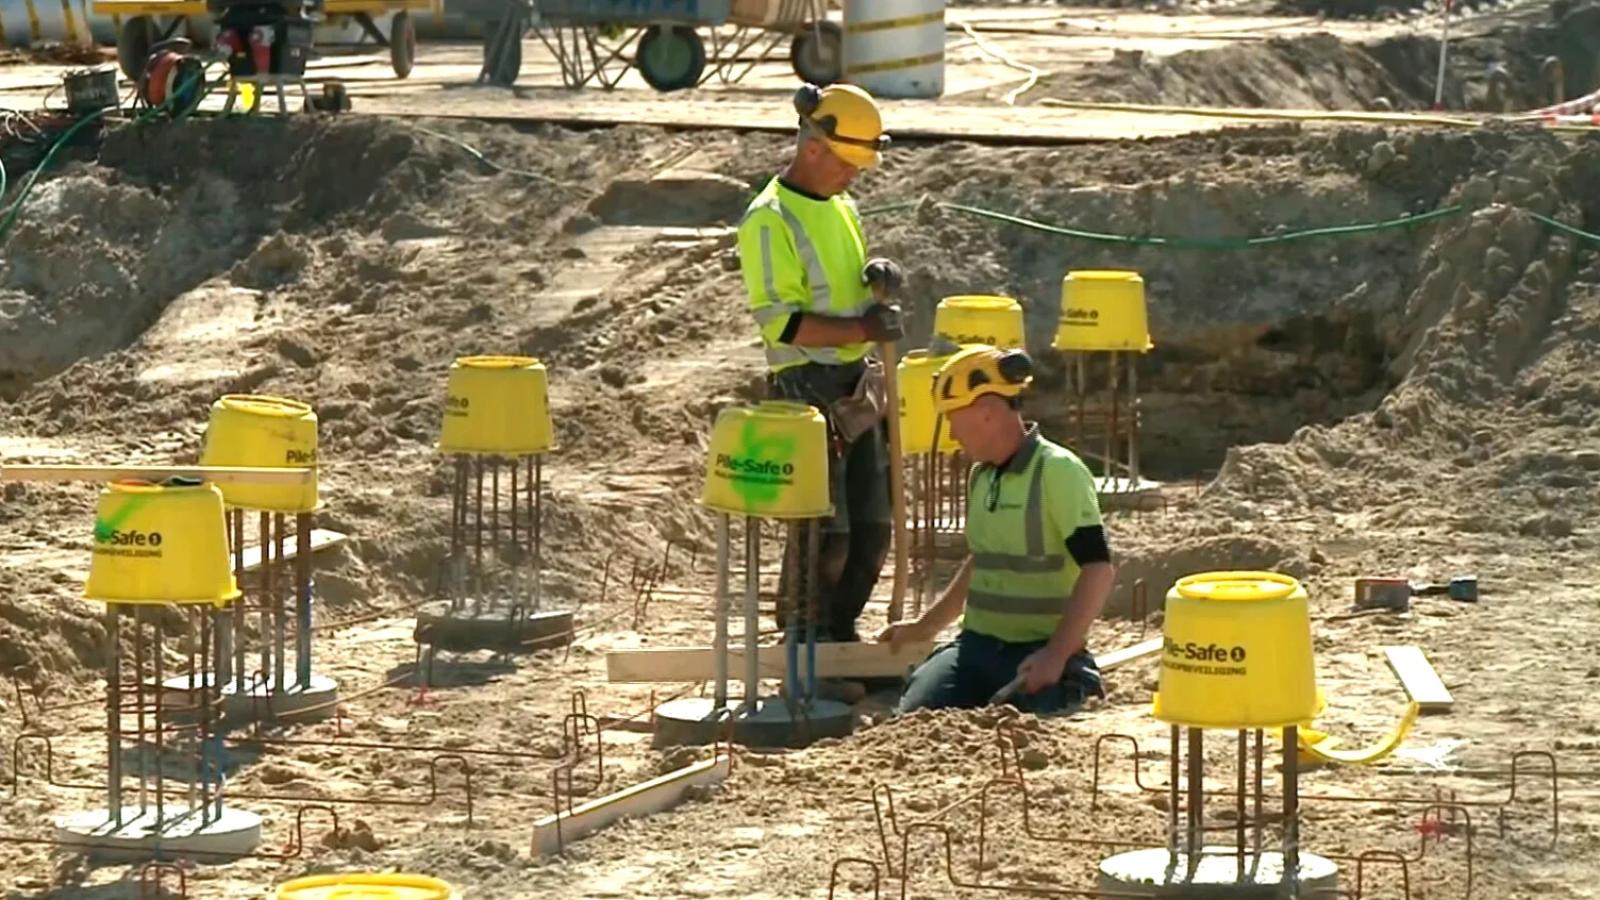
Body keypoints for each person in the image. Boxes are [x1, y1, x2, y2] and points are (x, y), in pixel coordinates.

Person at [735, 83, 906, 643]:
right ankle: (802, 635)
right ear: (813, 146)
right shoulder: (770, 220)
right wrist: (863, 327)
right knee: (824, 532)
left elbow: (844, 289)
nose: (853, 175)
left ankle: (838, 634)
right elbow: (782, 322)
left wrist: (874, 281)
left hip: (854, 387)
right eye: (846, 162)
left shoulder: (843, 207)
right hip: (805, 388)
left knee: (873, 530)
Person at [878, 345, 1115, 714]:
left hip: (1036, 654)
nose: (953, 435)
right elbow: (983, 561)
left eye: (953, 418)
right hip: (975, 650)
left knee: (1043, 713)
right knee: (914, 715)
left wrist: (1055, 655)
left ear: (986, 413)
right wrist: (925, 627)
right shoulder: (981, 476)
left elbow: (1098, 568)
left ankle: (1075, 675)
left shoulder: (1058, 472)